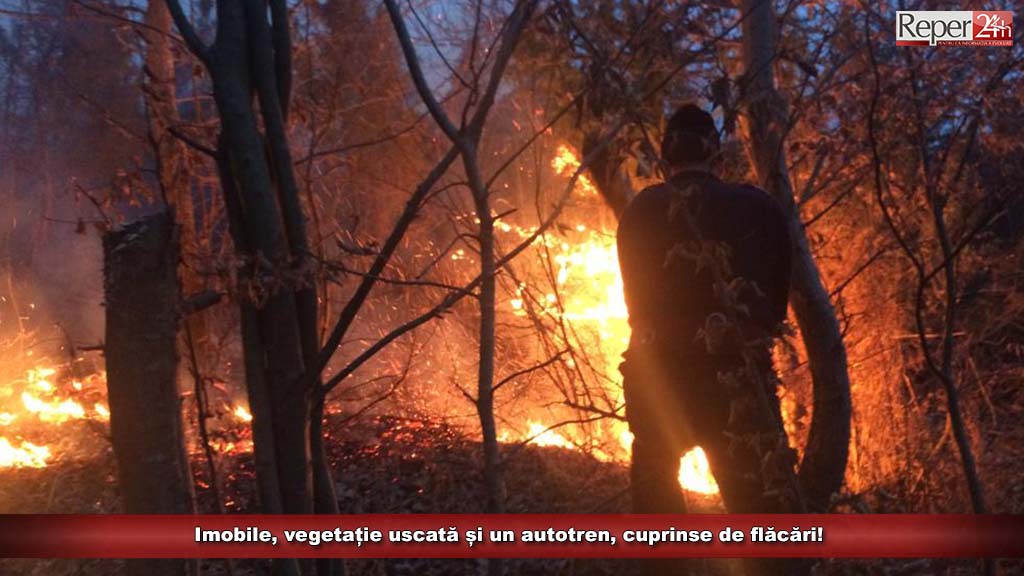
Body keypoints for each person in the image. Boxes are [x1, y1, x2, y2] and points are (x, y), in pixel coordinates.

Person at [617, 104, 803, 575]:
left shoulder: (641, 211)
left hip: (659, 379)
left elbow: (635, 303)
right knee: (761, 511)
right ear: (716, 152)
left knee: (658, 515)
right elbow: (774, 304)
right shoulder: (759, 207)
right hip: (736, 379)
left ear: (665, 152)